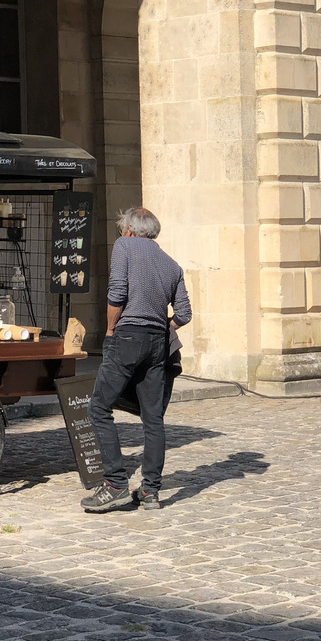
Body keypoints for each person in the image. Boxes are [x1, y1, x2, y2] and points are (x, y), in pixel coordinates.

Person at [81, 206, 191, 513]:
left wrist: (111, 329)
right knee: (153, 418)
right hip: (158, 344)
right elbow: (183, 314)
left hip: (128, 336)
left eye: (121, 230)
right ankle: (150, 491)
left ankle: (116, 484)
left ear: (129, 230)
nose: (121, 234)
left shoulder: (124, 246)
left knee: (99, 407)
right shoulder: (172, 265)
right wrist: (163, 327)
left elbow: (117, 292)